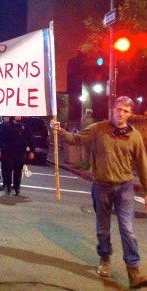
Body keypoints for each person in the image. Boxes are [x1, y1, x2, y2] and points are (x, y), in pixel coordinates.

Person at [51, 96, 147, 288]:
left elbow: (142, 164)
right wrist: (59, 130)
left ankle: (134, 270)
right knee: (103, 229)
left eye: (126, 111)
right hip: (102, 186)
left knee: (127, 229)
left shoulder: (135, 136)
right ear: (113, 109)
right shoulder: (98, 129)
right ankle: (105, 259)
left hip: (125, 187)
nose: (121, 114)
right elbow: (76, 139)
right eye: (119, 109)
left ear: (130, 114)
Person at [0, 116, 34, 196]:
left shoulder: (24, 127)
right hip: (8, 152)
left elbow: (30, 139)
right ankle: (8, 185)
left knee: (18, 171)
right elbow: (0, 138)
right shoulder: (6, 126)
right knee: (8, 170)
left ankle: (17, 187)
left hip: (19, 152)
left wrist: (31, 151)